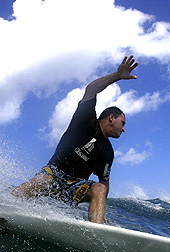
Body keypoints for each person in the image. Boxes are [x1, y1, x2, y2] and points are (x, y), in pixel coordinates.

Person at [13, 55, 139, 224]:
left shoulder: (107, 152)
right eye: (122, 123)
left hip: (75, 186)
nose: (124, 129)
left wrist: (100, 207)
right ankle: (3, 207)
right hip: (53, 174)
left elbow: (104, 184)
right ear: (111, 118)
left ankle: (97, 231)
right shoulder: (85, 120)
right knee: (42, 180)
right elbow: (91, 90)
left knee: (99, 188)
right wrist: (116, 76)